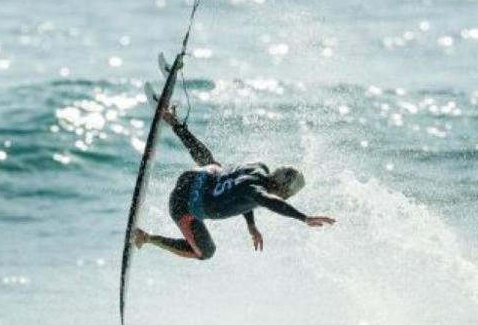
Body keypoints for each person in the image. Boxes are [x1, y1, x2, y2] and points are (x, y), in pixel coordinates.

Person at [133, 107, 335, 260]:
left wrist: (251, 226)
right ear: (282, 192)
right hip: (181, 204)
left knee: (214, 165)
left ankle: (174, 123)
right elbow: (267, 201)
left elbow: (243, 192)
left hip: (191, 178)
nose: (285, 169)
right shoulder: (259, 193)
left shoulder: (258, 168)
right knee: (206, 252)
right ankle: (147, 238)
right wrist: (304, 218)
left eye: (287, 175)